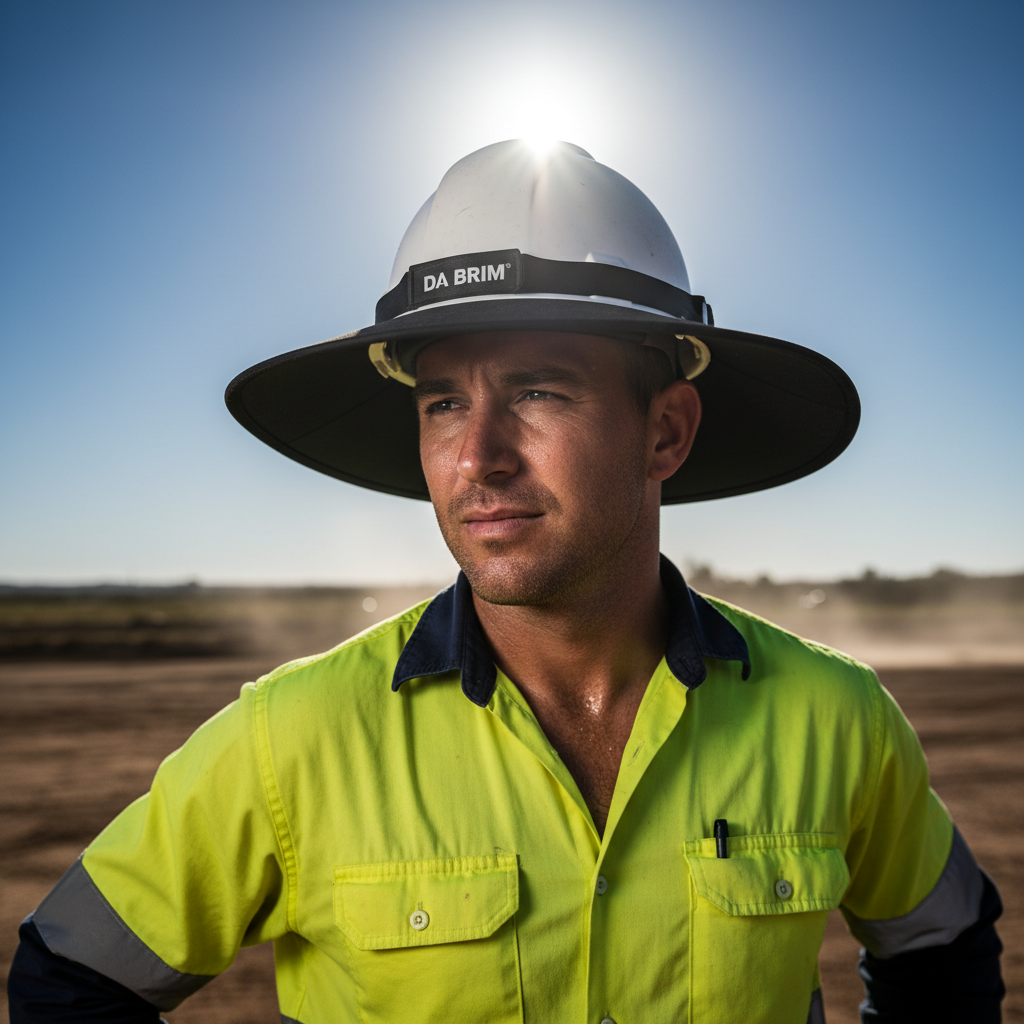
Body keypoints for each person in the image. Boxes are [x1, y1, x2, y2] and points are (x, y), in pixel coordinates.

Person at [9, 140, 1004, 1024]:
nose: (476, 455)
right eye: (443, 401)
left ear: (665, 431)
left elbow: (942, 958)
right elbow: (70, 977)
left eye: (536, 390)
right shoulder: (288, 739)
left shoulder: (838, 714)